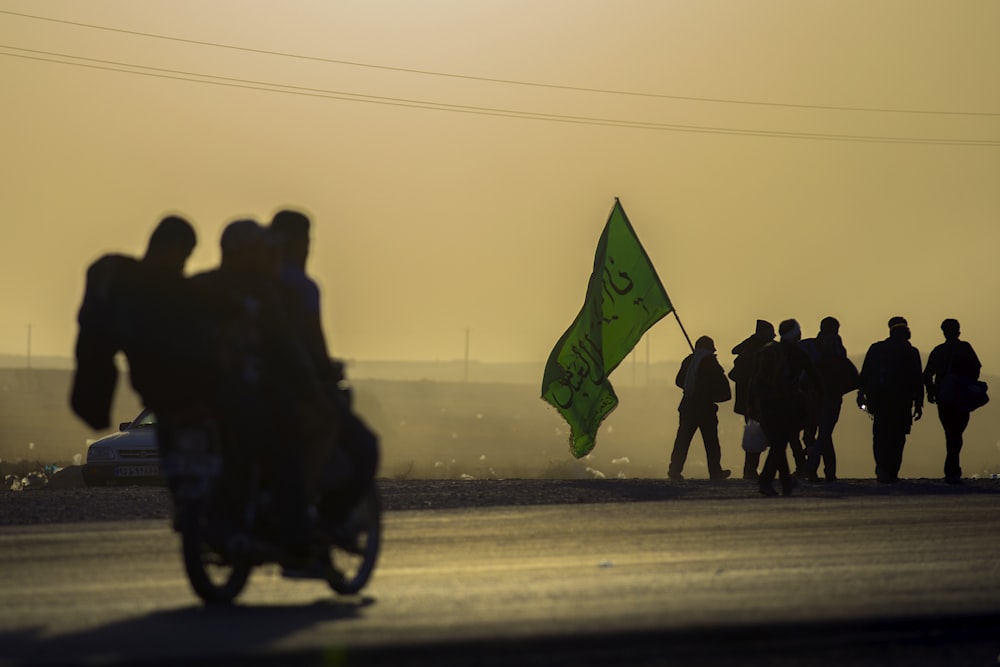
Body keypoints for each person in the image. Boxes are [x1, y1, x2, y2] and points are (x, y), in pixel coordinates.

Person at [70, 215, 215, 471]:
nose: (183, 264)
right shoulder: (156, 288)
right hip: (176, 400)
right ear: (174, 249)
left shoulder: (119, 277)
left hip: (175, 399)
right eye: (183, 256)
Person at [268, 208, 380, 526]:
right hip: (294, 392)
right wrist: (326, 373)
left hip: (255, 392)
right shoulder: (300, 286)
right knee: (362, 446)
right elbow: (314, 345)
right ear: (299, 242)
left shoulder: (251, 282)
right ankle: (321, 521)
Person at [750, 319, 820, 497]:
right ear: (797, 334)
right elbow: (814, 378)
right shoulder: (798, 353)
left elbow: (754, 381)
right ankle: (767, 481)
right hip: (787, 403)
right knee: (780, 443)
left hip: (765, 404)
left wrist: (752, 405)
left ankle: (785, 481)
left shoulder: (766, 351)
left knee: (777, 443)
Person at [857, 316, 924, 484]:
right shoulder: (910, 352)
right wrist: (919, 403)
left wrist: (861, 394)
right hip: (902, 402)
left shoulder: (877, 349)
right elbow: (917, 379)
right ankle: (892, 471)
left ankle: (882, 468)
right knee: (898, 437)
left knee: (880, 435)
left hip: (879, 400)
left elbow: (864, 375)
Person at [799, 317, 859, 482]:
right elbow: (848, 371)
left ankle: (813, 468)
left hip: (811, 395)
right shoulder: (836, 346)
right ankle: (822, 470)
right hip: (831, 395)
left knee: (811, 433)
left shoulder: (807, 346)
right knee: (825, 433)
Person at [922, 318, 982, 484]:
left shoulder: (938, 351)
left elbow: (927, 375)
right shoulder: (965, 348)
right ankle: (952, 468)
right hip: (961, 396)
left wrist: (932, 391)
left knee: (950, 432)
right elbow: (976, 368)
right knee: (957, 432)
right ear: (958, 331)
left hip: (945, 397)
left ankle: (952, 468)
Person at [667, 335, 732, 481]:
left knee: (682, 440)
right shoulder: (710, 362)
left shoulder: (689, 360)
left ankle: (674, 470)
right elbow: (722, 386)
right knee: (711, 442)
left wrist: (692, 387)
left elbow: (679, 381)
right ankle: (715, 472)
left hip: (688, 405)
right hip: (705, 408)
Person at [729, 320, 775, 481]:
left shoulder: (747, 350)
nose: (774, 336)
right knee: (770, 436)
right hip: (761, 401)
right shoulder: (761, 352)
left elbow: (734, 351)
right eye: (771, 332)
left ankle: (750, 470)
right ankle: (753, 471)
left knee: (756, 435)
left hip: (749, 402)